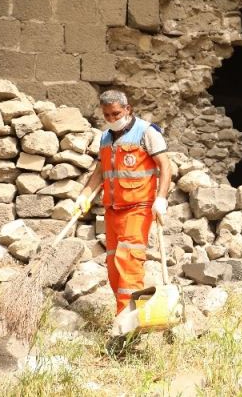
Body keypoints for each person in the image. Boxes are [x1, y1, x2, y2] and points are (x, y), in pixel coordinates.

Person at [73, 90, 171, 314]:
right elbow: (100, 171)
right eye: (107, 115)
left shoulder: (146, 132)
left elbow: (166, 166)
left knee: (129, 262)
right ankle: (131, 312)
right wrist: (84, 195)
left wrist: (161, 198)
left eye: (116, 114)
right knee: (114, 268)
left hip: (138, 208)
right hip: (112, 211)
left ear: (128, 109)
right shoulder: (106, 137)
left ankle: (128, 326)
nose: (112, 119)